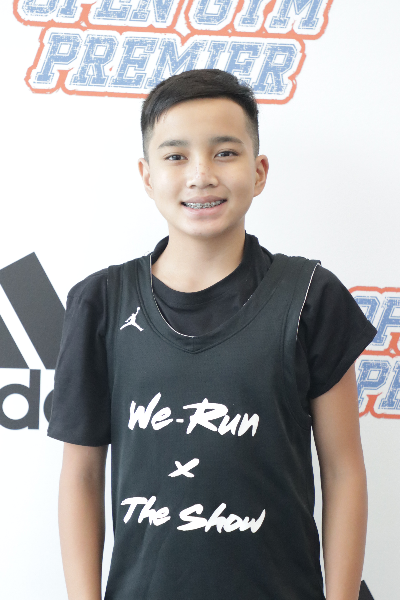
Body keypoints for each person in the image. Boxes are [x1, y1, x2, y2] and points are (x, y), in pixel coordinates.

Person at [47, 69, 377, 600]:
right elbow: (81, 475)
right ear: (147, 176)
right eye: (176, 156)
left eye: (225, 152)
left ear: (259, 171)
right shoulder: (101, 303)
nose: (201, 175)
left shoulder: (311, 297)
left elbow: (343, 471)